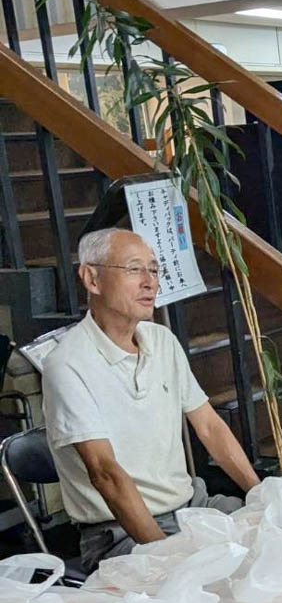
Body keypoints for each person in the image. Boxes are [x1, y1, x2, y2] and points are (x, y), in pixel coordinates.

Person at [41, 227, 260, 571]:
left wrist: (260, 495)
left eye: (154, 270)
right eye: (133, 269)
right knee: (219, 579)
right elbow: (104, 473)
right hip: (120, 533)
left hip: (192, 506)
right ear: (92, 279)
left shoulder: (162, 341)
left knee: (280, 535)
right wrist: (167, 558)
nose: (150, 282)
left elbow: (209, 426)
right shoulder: (67, 363)